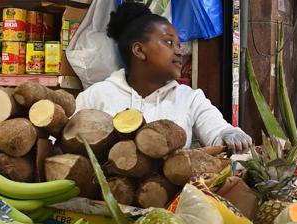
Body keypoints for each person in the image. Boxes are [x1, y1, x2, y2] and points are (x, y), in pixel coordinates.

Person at [76, 1, 251, 154]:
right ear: (139, 50)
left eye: (178, 44)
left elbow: (218, 131)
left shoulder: (190, 98)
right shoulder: (95, 96)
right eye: (169, 42)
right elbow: (65, 141)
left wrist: (229, 135)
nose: (178, 50)